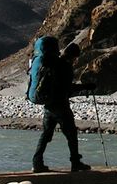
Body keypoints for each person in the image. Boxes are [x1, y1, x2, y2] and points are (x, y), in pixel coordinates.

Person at [32, 41, 92, 173]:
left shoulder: (54, 64)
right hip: (61, 106)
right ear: (73, 56)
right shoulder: (65, 66)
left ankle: (37, 163)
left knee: (46, 134)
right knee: (71, 134)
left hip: (49, 105)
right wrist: (85, 87)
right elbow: (67, 88)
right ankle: (75, 163)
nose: (75, 61)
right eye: (76, 58)